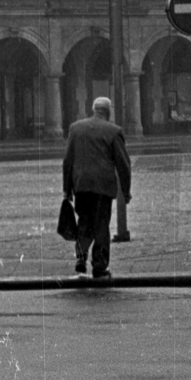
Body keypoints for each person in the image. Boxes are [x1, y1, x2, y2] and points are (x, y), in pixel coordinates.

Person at [61, 96, 132, 282]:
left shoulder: (76, 128)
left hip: (81, 186)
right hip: (103, 187)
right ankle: (99, 267)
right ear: (108, 112)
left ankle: (81, 256)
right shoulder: (113, 131)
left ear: (93, 109)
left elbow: (67, 161)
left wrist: (66, 189)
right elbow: (123, 164)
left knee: (84, 221)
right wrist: (126, 190)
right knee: (101, 225)